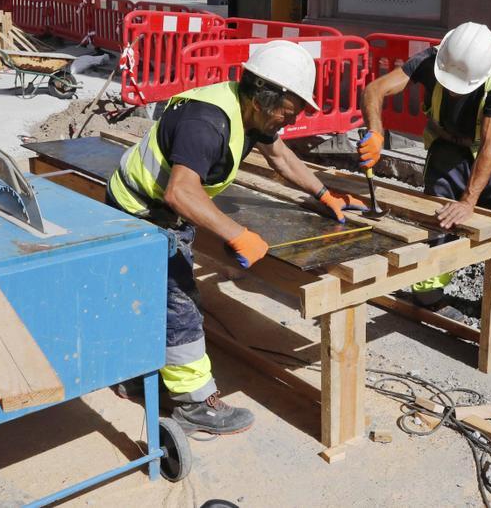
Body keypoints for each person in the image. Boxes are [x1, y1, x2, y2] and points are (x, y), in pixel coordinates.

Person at [106, 40, 366, 435]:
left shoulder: (248, 111)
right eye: (287, 112)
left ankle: (130, 375)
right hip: (138, 212)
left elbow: (281, 158)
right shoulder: (207, 124)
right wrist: (238, 234)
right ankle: (195, 406)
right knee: (180, 304)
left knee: (146, 296)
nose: (288, 121)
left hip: (160, 209)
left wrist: (323, 194)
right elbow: (181, 192)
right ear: (263, 97)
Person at [358, 21, 491, 323]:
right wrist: (375, 132)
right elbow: (375, 89)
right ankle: (428, 293)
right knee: (438, 214)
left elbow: (490, 145)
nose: (454, 93)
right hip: (445, 144)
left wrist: (469, 200)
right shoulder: (433, 60)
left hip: (483, 148)